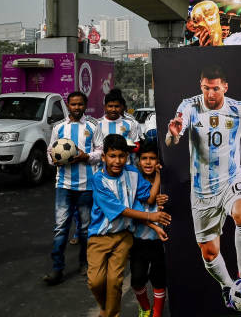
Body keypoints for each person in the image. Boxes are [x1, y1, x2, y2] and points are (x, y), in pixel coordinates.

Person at [164, 65, 241, 309]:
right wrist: (173, 134)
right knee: (209, 253)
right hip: (202, 191)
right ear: (201, 86)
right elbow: (174, 137)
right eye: (206, 88)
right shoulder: (189, 106)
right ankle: (228, 287)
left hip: (232, 179)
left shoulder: (237, 108)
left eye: (215, 88)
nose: (210, 94)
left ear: (225, 87)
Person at [87, 134, 171, 317]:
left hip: (124, 235)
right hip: (99, 237)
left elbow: (148, 197)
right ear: (103, 157)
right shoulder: (98, 180)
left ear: (127, 156)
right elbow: (122, 210)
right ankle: (107, 309)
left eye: (121, 156)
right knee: (96, 282)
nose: (117, 161)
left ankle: (112, 314)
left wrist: (158, 179)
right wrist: (152, 217)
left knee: (115, 281)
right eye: (112, 156)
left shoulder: (132, 173)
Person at [44, 91, 103, 285]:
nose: (76, 107)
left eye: (80, 104)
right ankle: (57, 269)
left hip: (87, 186)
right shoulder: (59, 127)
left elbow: (100, 151)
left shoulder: (93, 126)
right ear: (68, 106)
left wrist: (85, 157)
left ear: (85, 105)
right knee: (61, 228)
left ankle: (84, 263)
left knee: (86, 229)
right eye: (73, 104)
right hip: (63, 185)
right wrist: (54, 160)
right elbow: (50, 151)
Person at [131, 141, 170, 317]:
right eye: (144, 158)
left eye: (152, 158)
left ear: (158, 161)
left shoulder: (168, 183)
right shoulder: (134, 182)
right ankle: (145, 308)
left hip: (159, 243)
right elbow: (138, 210)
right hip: (138, 240)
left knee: (159, 279)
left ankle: (156, 313)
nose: (148, 162)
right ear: (138, 161)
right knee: (137, 279)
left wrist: (166, 203)